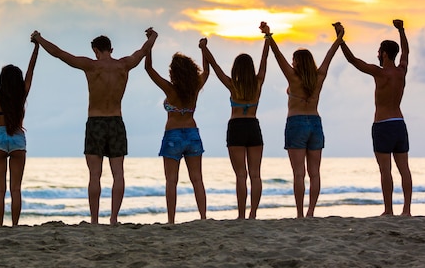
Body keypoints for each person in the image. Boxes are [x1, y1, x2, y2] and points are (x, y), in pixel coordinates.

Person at [30, 28, 157, 225]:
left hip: (96, 122)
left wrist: (39, 38)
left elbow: (59, 53)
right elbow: (143, 50)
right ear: (111, 49)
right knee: (118, 174)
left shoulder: (90, 66)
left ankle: (95, 219)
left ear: (96, 50)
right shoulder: (124, 65)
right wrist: (153, 36)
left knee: (95, 175)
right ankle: (114, 218)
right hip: (116, 121)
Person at [259, 21, 344, 218]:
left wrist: (269, 35)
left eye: (293, 60)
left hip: (296, 123)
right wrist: (339, 38)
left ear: (297, 62)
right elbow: (329, 56)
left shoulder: (293, 78)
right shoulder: (319, 76)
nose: (292, 63)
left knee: (299, 173)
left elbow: (277, 56)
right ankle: (311, 212)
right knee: (314, 173)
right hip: (315, 123)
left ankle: (299, 213)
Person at [339, 19, 412, 216]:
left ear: (385, 54)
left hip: (382, 125)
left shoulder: (379, 73)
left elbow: (353, 61)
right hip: (399, 123)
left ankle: (388, 210)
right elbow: (406, 53)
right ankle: (406, 210)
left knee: (385, 170)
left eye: (379, 51)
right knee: (404, 168)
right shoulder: (401, 71)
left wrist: (340, 40)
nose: (377, 54)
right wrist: (402, 30)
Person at [199, 35, 269, 219]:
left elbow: (214, 66)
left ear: (236, 69)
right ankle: (253, 213)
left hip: (237, 127)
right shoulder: (258, 82)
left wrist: (203, 48)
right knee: (255, 174)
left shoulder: (232, 84)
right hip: (253, 126)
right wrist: (267, 39)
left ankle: (241, 215)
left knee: (240, 175)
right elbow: (264, 60)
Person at [144, 29, 210, 224]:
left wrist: (149, 45)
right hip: (192, 134)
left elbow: (148, 68)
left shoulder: (170, 89)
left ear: (174, 72)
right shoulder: (196, 86)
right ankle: (203, 217)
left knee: (171, 181)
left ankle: (171, 220)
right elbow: (206, 71)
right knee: (197, 179)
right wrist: (203, 50)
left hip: (173, 135)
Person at [0, 38, 39, 227]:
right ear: (18, 82)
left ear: (2, 81)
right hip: (18, 136)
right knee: (16, 189)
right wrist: (36, 47)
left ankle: (0, 225)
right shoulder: (22, 95)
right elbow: (31, 70)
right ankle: (15, 225)